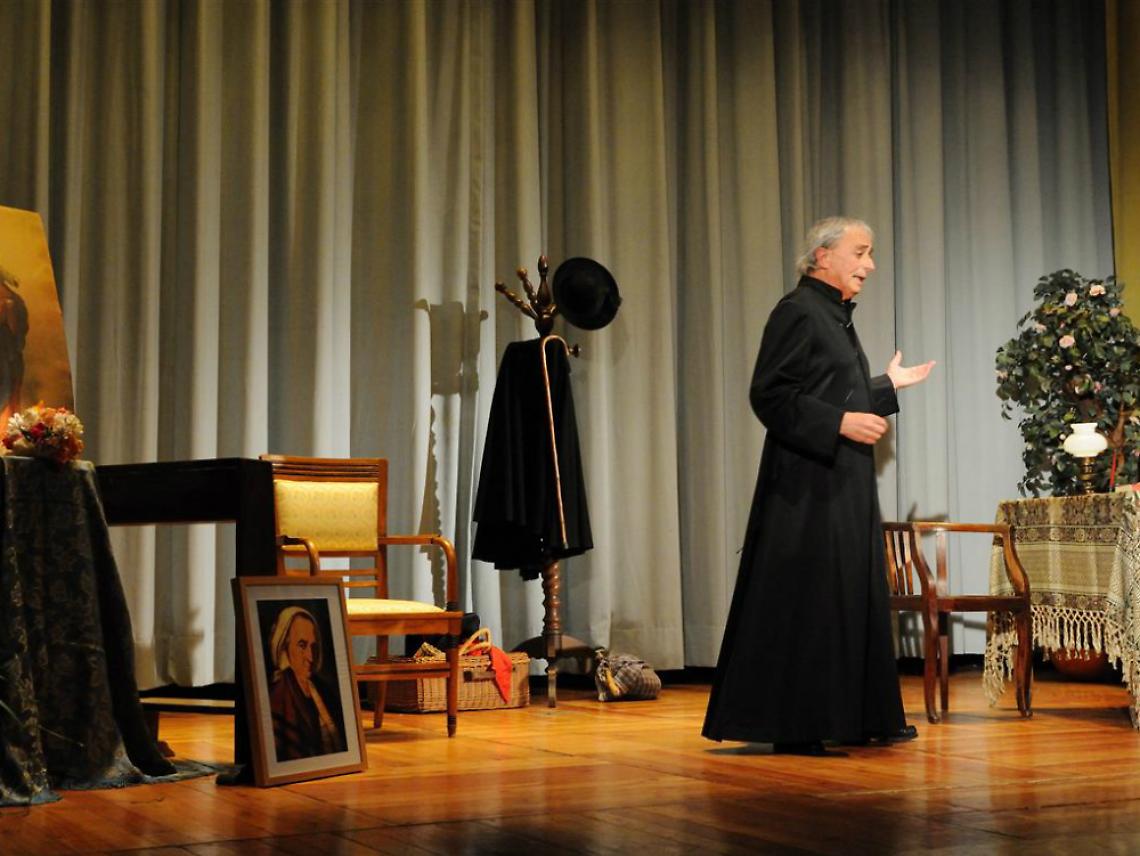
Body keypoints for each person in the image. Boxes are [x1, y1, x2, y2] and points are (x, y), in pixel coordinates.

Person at [702, 216, 934, 753]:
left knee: (848, 593)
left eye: (870, 253)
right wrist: (838, 424)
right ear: (822, 256)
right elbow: (771, 394)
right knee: (810, 599)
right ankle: (796, 724)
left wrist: (885, 386)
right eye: (861, 252)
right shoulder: (798, 311)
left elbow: (837, 397)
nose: (870, 265)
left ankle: (862, 714)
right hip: (806, 486)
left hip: (841, 480)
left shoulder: (834, 318)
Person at [267, 605, 347, 761]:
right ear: (284, 646)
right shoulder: (279, 698)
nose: (310, 656)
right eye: (302, 645)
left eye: (313, 646)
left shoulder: (322, 689)